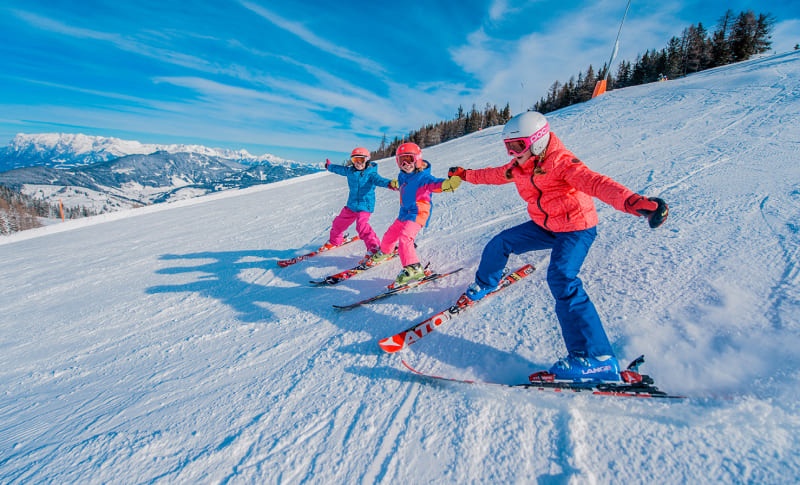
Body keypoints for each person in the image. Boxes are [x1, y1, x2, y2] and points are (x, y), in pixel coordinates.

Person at [448, 111, 668, 382]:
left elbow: (596, 183)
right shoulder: (520, 165)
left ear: (538, 141)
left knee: (562, 278)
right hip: (546, 225)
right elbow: (492, 175)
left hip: (576, 228)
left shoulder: (562, 163)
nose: (512, 153)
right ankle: (485, 283)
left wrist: (632, 202)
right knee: (500, 242)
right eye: (508, 147)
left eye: (517, 146)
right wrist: (465, 174)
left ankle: (596, 358)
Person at [369, 142, 462, 288]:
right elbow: (402, 185)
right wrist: (395, 184)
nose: (406, 164)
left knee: (405, 238)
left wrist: (448, 184)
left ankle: (413, 267)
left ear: (417, 159)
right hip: (404, 213)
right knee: (390, 235)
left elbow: (435, 184)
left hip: (418, 213)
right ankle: (385, 252)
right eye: (401, 160)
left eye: (409, 159)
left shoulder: (423, 178)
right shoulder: (402, 176)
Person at [323, 147, 396, 257]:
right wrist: (329, 166)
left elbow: (380, 180)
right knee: (338, 223)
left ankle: (374, 248)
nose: (357, 163)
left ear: (366, 160)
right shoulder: (350, 171)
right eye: (354, 160)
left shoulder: (371, 174)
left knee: (361, 226)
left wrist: (390, 184)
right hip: (351, 205)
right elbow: (339, 169)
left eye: (360, 160)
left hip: (365, 205)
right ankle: (335, 241)